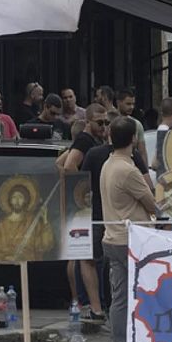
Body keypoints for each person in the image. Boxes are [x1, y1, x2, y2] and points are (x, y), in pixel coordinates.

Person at [99, 116, 158, 342]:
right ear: (134, 138)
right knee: (144, 294)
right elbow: (151, 201)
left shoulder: (109, 164)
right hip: (133, 238)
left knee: (120, 296)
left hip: (112, 236)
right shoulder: (128, 170)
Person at [55, 103, 107, 322]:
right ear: (88, 122)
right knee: (85, 257)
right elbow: (67, 166)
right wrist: (83, 191)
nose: (104, 126)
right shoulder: (86, 140)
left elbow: (59, 162)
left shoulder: (89, 141)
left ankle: (80, 300)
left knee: (78, 254)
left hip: (83, 205)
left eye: (106, 123)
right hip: (86, 205)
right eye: (100, 123)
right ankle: (86, 302)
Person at [116, 88, 148, 165]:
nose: (131, 107)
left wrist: (145, 172)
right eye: (128, 104)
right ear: (119, 102)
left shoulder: (137, 124)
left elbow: (142, 152)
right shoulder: (108, 122)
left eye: (133, 104)